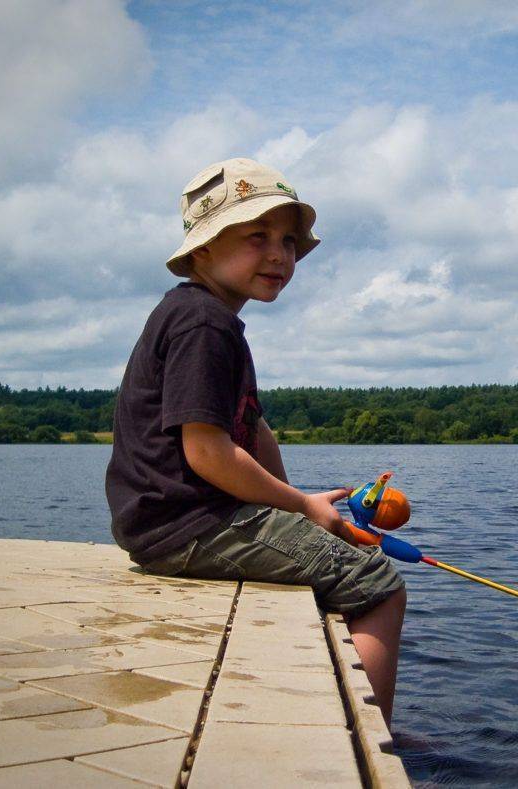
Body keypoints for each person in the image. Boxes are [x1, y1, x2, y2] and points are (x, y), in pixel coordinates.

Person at [105, 157, 406, 726]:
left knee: (344, 560)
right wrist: (301, 507)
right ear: (203, 249)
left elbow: (253, 427)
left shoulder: (204, 317)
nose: (279, 255)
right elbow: (207, 453)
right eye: (256, 237)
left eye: (288, 241)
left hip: (173, 522)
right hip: (189, 525)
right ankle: (373, 732)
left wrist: (299, 509)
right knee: (377, 582)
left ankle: (338, 699)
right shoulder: (204, 324)